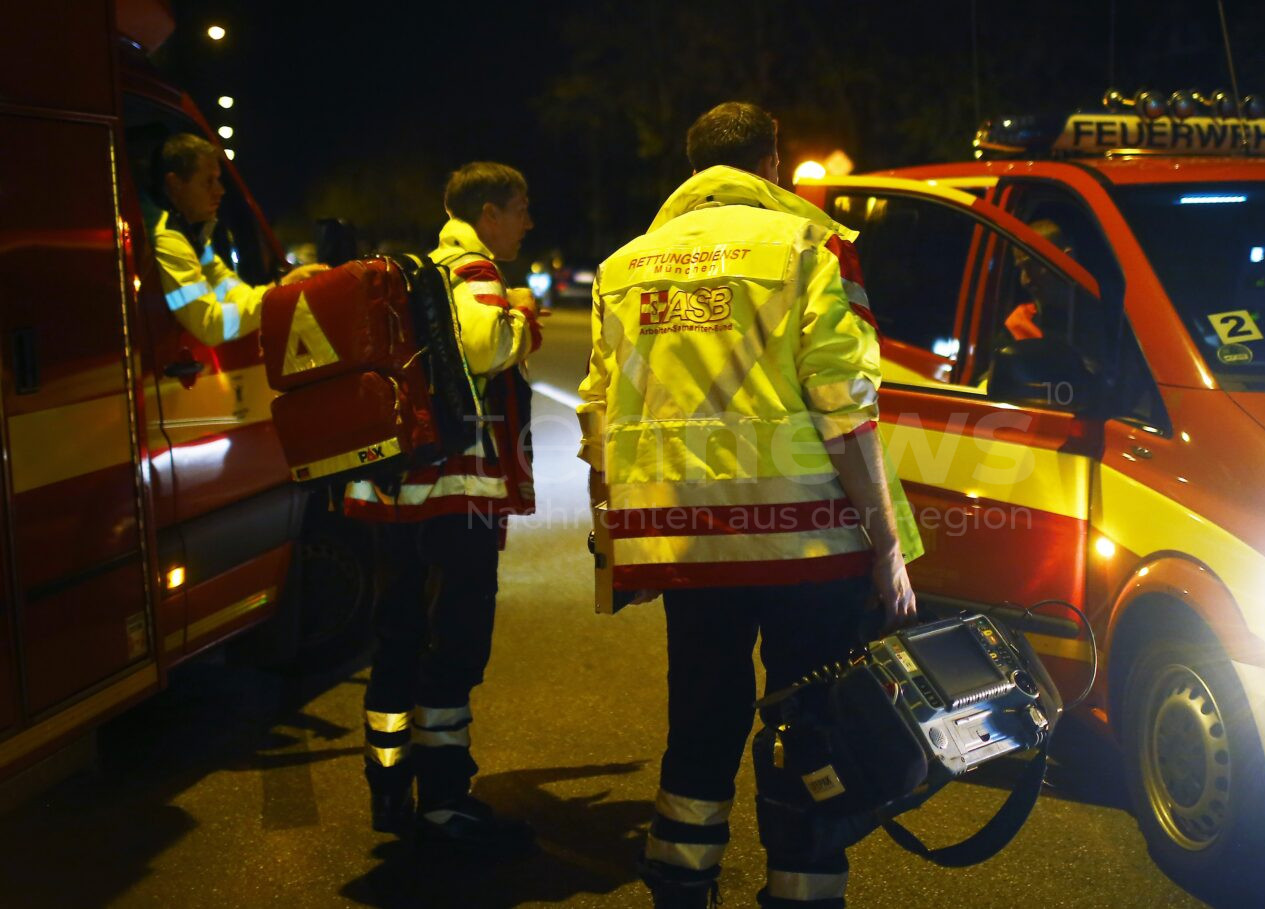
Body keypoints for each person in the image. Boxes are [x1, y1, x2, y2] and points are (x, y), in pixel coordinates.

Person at [578, 102, 923, 909]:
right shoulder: (812, 245)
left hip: (685, 543)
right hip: (807, 544)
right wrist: (886, 544)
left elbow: (599, 416)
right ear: (770, 165)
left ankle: (681, 879)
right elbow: (844, 405)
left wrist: (615, 539)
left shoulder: (625, 265)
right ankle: (802, 890)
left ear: (694, 167)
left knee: (700, 715)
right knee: (811, 724)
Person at [343, 161, 542, 851]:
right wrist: (523, 317)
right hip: (456, 492)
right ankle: (446, 798)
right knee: (455, 641)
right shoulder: (476, 273)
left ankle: (389, 784)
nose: (527, 221)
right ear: (488, 213)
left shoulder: (415, 270)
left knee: (395, 634)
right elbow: (486, 349)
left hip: (392, 490)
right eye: (519, 208)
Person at [148, 133, 325, 346]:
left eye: (219, 180)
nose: (220, 191)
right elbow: (210, 325)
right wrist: (280, 291)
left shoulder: (192, 235)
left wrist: (281, 290)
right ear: (175, 185)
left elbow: (232, 291)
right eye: (208, 181)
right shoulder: (168, 240)